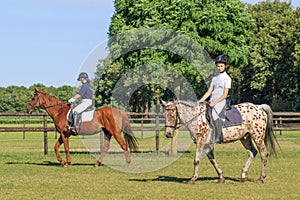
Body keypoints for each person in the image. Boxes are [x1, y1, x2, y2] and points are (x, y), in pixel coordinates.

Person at [199, 55, 232, 143]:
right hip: (211, 101)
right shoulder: (214, 78)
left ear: (225, 66)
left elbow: (225, 94)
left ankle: (218, 136)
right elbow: (209, 92)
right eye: (218, 66)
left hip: (221, 101)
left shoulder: (227, 79)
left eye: (221, 66)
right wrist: (200, 101)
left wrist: (215, 103)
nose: (219, 68)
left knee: (214, 114)